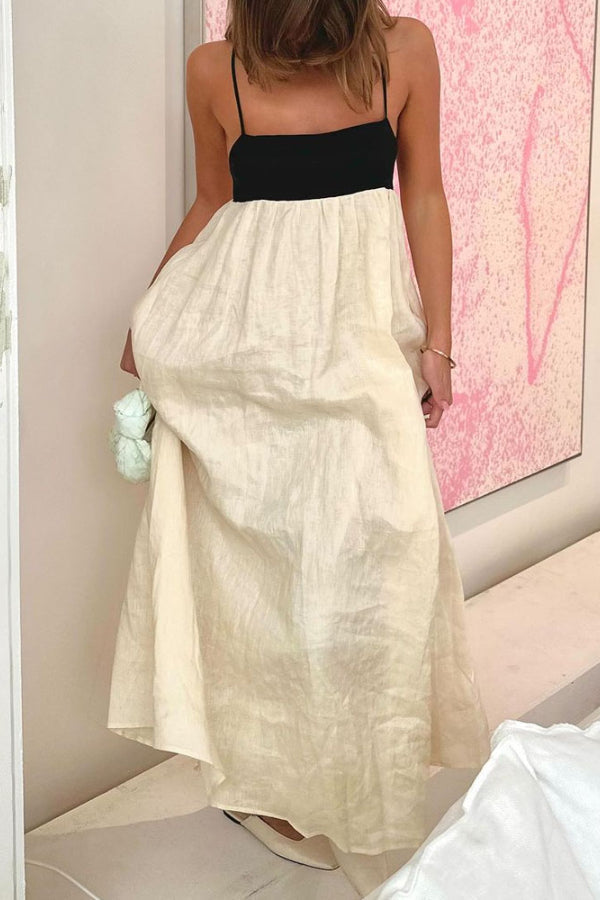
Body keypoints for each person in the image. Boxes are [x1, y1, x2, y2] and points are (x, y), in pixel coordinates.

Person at [108, 0, 491, 872]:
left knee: (385, 557)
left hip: (359, 344)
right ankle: (260, 785)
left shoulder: (405, 51)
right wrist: (152, 317)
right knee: (262, 581)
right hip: (249, 354)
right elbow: (216, 203)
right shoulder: (215, 71)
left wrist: (439, 343)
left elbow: (424, 194)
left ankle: (363, 773)